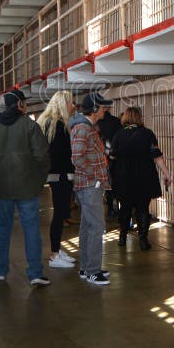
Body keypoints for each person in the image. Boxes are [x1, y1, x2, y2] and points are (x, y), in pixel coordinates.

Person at [0, 89, 51, 286]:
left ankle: (0, 271)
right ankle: (35, 273)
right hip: (27, 188)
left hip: (2, 188)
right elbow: (42, 157)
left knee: (2, 229)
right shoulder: (30, 126)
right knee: (31, 230)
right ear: (19, 104)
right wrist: (38, 179)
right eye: (24, 102)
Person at [110, 107, 171, 250]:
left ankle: (122, 238)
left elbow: (112, 156)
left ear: (125, 117)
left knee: (124, 208)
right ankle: (143, 241)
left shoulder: (118, 135)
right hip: (144, 176)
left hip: (123, 177)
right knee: (143, 208)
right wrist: (166, 173)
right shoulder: (147, 134)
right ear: (139, 117)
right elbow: (156, 156)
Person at [69, 92, 112, 285]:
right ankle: (93, 271)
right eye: (103, 107)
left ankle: (86, 268)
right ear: (94, 109)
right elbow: (77, 158)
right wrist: (95, 176)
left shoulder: (85, 127)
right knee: (96, 227)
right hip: (89, 185)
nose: (106, 110)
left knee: (88, 226)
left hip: (88, 185)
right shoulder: (83, 129)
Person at [36, 91, 78, 268]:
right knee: (60, 213)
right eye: (72, 103)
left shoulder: (46, 123)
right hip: (61, 175)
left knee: (60, 212)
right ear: (63, 104)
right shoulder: (58, 125)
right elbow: (61, 154)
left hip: (53, 174)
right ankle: (54, 254)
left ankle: (57, 250)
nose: (74, 106)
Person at [96, 103, 122, 218]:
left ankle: (110, 208)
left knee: (108, 184)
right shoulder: (116, 121)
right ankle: (119, 207)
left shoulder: (96, 123)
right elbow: (120, 138)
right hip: (116, 156)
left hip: (103, 157)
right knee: (117, 182)